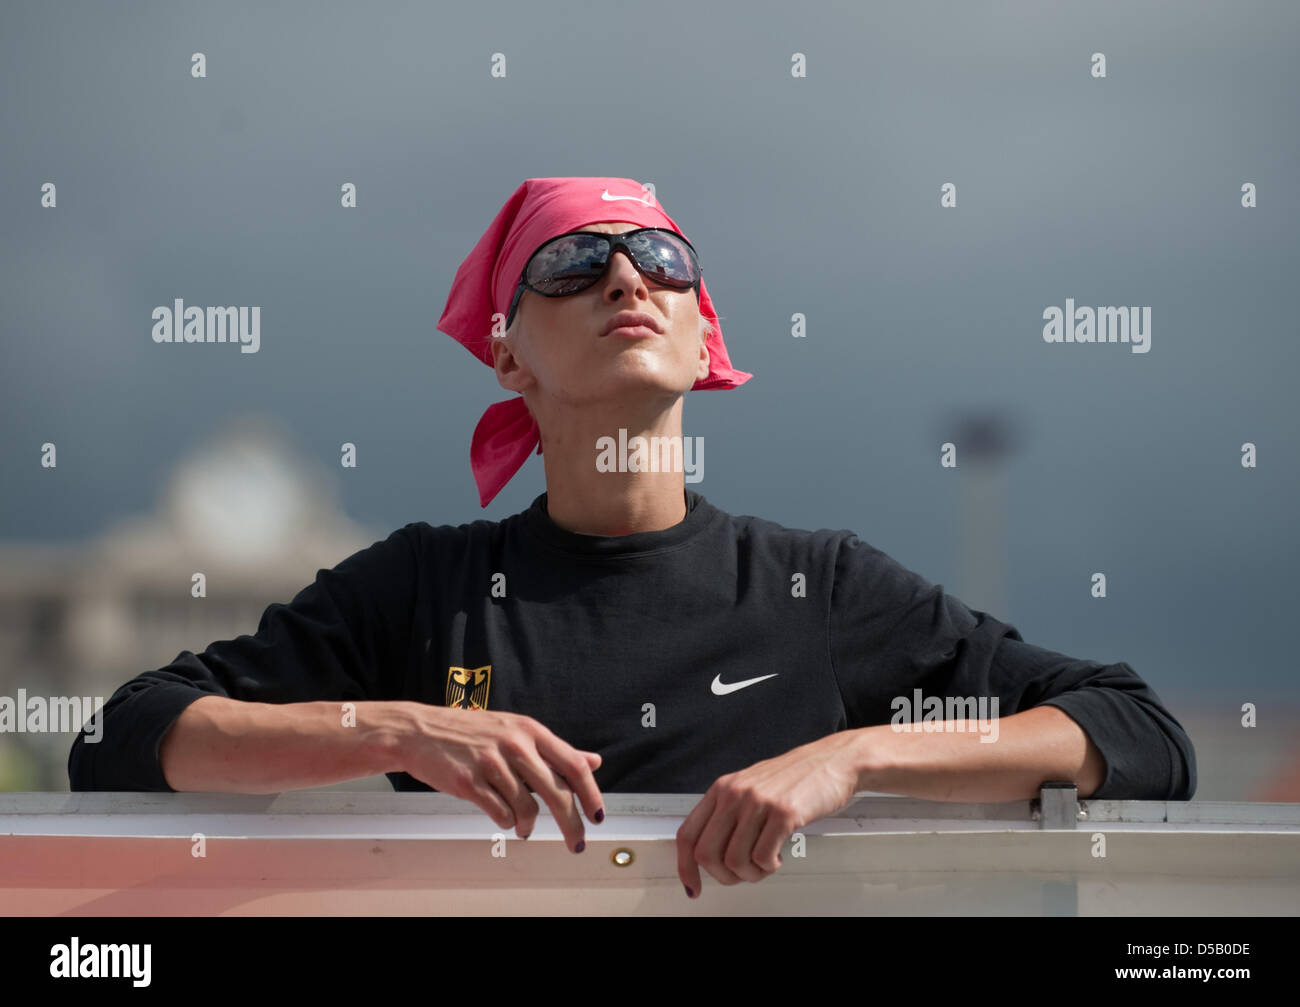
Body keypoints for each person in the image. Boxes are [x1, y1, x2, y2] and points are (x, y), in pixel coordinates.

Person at [69, 177, 1197, 899]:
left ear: (702, 332)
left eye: (663, 256)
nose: (625, 275)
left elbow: (1136, 731)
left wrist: (849, 757)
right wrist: (401, 732)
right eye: (573, 259)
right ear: (508, 357)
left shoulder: (819, 587)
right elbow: (127, 737)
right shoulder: (424, 585)